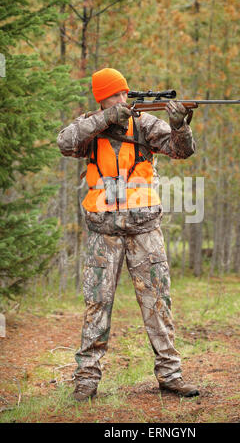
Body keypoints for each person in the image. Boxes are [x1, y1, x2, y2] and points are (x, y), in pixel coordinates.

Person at [57, 68, 199, 402]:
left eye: (126, 93)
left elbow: (182, 150)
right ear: (103, 98)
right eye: (117, 95)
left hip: (145, 231)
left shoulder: (145, 125)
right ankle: (86, 380)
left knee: (158, 303)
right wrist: (105, 118)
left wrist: (180, 125)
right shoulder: (90, 125)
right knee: (97, 305)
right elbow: (65, 142)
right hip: (102, 233)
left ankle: (170, 376)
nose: (124, 99)